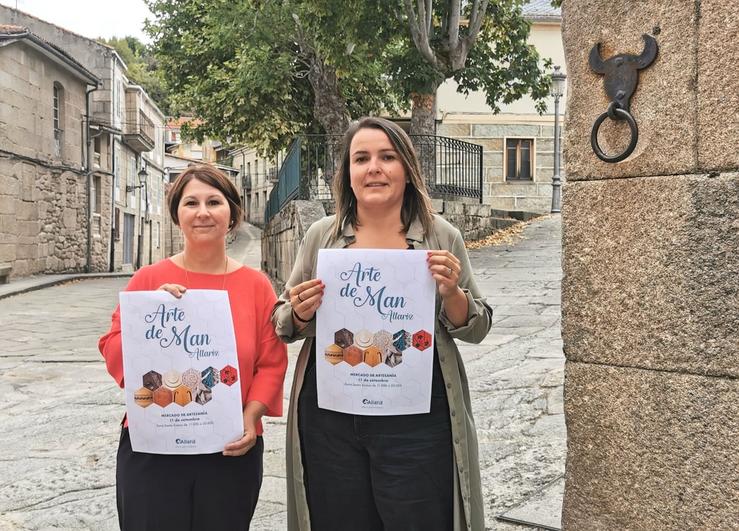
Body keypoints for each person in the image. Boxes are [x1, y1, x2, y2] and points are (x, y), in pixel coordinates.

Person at [271, 117, 493, 530]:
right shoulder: (322, 236)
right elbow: (282, 321)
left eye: (387, 157)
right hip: (330, 416)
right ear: (348, 174)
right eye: (362, 158)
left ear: (407, 170)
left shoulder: (440, 236)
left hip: (419, 416)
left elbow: (477, 326)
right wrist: (300, 310)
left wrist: (451, 294)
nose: (374, 167)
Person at [99, 164, 287, 530]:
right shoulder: (148, 280)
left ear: (232, 214)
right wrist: (149, 315)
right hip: (153, 445)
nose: (203, 212)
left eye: (214, 202)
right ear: (177, 214)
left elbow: (271, 362)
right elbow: (113, 350)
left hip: (231, 446)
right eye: (191, 203)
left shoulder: (255, 286)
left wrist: (251, 417)